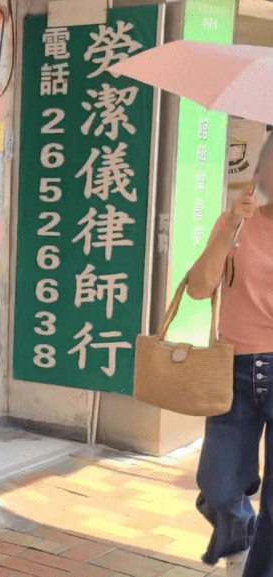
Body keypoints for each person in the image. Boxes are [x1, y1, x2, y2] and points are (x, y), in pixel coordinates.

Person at [187, 133, 273, 577]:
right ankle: (242, 531)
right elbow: (199, 288)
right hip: (234, 368)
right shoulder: (235, 222)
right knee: (219, 487)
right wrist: (229, 233)